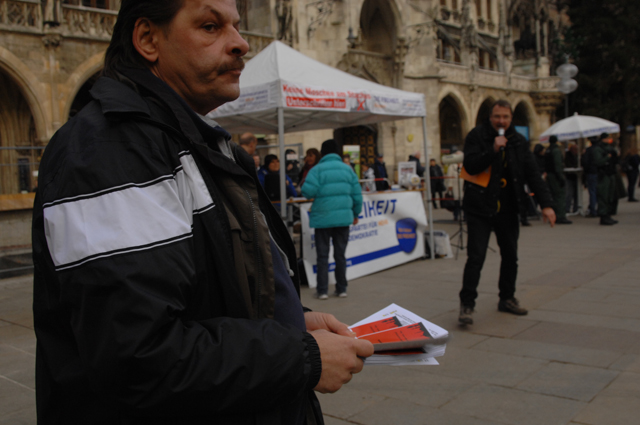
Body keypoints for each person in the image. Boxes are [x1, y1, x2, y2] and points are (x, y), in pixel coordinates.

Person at [31, 1, 373, 424]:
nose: (241, 44)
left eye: (237, 25)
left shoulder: (188, 139)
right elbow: (137, 356)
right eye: (211, 26)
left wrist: (290, 321)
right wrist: (300, 356)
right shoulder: (114, 151)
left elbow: (208, 292)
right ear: (148, 40)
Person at [458, 100, 556, 325]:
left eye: (505, 117)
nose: (501, 121)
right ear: (490, 117)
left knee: (511, 256)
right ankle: (467, 304)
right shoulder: (477, 136)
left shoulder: (518, 141)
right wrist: (492, 149)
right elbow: (471, 166)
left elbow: (532, 174)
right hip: (479, 208)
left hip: (508, 208)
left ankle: (507, 298)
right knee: (476, 257)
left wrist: (547, 205)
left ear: (511, 119)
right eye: (497, 117)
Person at [302, 140, 362, 300]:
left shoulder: (317, 170)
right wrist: (356, 214)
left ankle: (322, 291)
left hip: (322, 219)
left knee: (322, 256)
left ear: (322, 152)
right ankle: (341, 289)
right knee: (340, 255)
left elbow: (307, 192)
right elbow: (357, 195)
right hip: (343, 219)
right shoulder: (348, 170)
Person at [592, 133, 619, 225]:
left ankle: (608, 214)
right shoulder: (598, 149)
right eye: (607, 138)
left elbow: (615, 159)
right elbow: (598, 162)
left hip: (610, 173)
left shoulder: (610, 148)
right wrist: (607, 157)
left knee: (610, 196)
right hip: (603, 175)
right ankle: (603, 216)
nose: (609, 140)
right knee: (604, 195)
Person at [545, 136, 572, 224]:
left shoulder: (548, 150)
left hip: (549, 175)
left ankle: (554, 215)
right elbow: (558, 165)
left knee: (553, 195)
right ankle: (560, 216)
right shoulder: (556, 150)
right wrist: (561, 177)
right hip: (555, 176)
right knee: (559, 196)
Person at [583, 137, 599, 217]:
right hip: (599, 172)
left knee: (592, 192)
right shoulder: (599, 149)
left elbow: (585, 162)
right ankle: (599, 209)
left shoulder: (589, 150)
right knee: (598, 192)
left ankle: (592, 210)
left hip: (591, 172)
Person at [564, 143, 579, 213]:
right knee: (569, 194)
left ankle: (576, 208)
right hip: (569, 176)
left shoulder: (577, 156)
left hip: (576, 176)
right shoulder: (568, 156)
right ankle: (567, 208)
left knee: (576, 194)